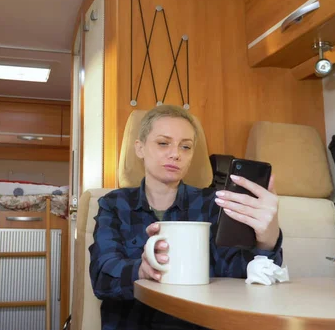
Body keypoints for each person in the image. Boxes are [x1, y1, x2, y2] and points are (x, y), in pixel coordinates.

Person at [89, 105, 283, 330]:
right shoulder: (114, 204)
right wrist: (142, 270)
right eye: (163, 143)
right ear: (140, 148)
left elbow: (241, 277)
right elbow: (102, 278)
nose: (175, 154)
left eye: (186, 146)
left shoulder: (215, 204)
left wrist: (267, 241)